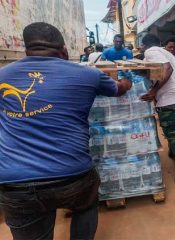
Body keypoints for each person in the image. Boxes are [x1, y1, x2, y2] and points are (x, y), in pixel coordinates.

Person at [0, 22, 132, 240]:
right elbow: (118, 89)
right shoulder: (87, 75)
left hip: (14, 182)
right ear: (64, 50)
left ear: (27, 51)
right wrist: (126, 81)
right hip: (72, 175)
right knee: (87, 203)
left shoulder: (3, 75)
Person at [139, 34, 175, 194]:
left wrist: (153, 91)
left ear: (144, 45)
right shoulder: (168, 53)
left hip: (171, 99)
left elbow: (167, 69)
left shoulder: (150, 52)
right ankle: (174, 152)